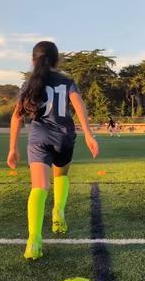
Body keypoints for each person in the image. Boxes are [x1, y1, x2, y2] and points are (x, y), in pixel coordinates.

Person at [7, 41, 98, 260]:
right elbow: (78, 105)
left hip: (38, 139)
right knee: (61, 175)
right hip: (64, 138)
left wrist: (12, 148)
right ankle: (58, 212)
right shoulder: (67, 81)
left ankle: (34, 241)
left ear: (33, 60)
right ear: (57, 60)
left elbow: (17, 115)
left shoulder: (29, 83)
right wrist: (88, 133)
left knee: (39, 187)